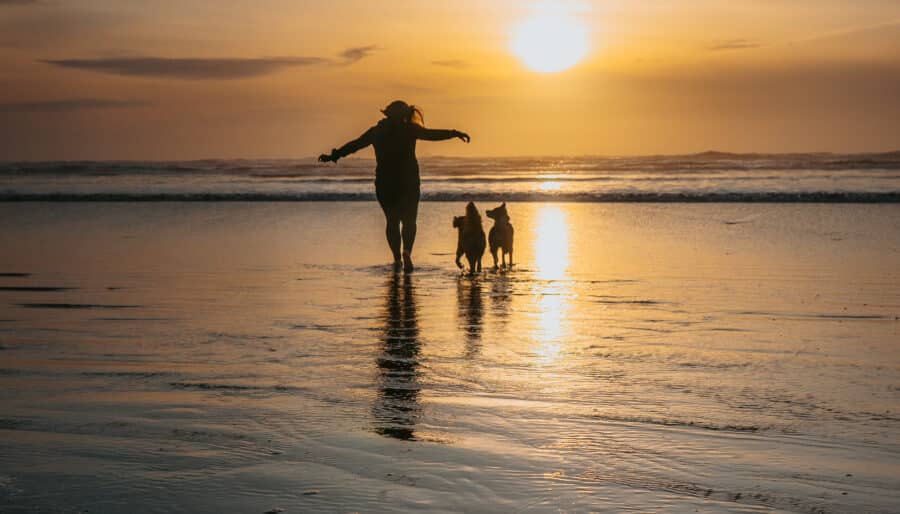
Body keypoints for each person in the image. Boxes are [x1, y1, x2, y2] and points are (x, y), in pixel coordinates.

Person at [319, 100, 470, 273]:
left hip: (385, 183)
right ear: (405, 115)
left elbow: (356, 144)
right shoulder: (409, 129)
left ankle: (397, 259)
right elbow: (431, 134)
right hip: (408, 182)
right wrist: (454, 133)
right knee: (409, 221)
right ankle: (407, 252)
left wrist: (334, 155)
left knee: (392, 221)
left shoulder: (377, 131)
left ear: (387, 114)